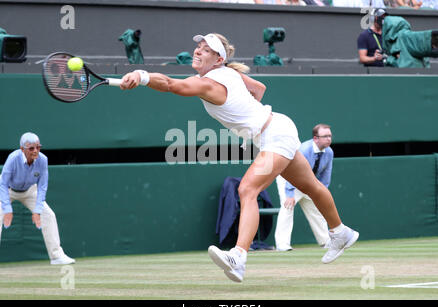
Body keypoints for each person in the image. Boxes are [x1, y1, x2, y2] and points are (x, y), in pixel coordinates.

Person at [119, 33, 359, 283]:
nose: (198, 51)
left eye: (205, 50)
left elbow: (170, 84)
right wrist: (250, 120)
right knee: (310, 186)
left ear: (218, 59)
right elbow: (259, 88)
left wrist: (142, 76)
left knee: (247, 190)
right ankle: (341, 232)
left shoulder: (210, 83)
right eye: (198, 47)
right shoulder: (230, 74)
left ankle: (238, 257)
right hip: (276, 128)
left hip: (275, 134)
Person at [0, 132, 75, 265]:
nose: (35, 151)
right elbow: (3, 184)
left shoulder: (43, 160)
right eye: (31, 148)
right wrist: (7, 209)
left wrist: (38, 210)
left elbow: (42, 186)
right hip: (7, 190)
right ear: (22, 149)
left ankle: (56, 256)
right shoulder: (12, 158)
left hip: (30, 191)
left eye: (38, 147)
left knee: (49, 215)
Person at [275, 124, 334, 251]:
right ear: (315, 138)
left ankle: (325, 241)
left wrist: (321, 193)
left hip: (308, 180)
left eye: (330, 136)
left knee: (316, 208)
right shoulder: (304, 149)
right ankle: (282, 244)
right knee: (287, 207)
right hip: (288, 178)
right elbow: (292, 171)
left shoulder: (329, 152)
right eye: (325, 136)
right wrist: (290, 194)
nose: (328, 139)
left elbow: (325, 175)